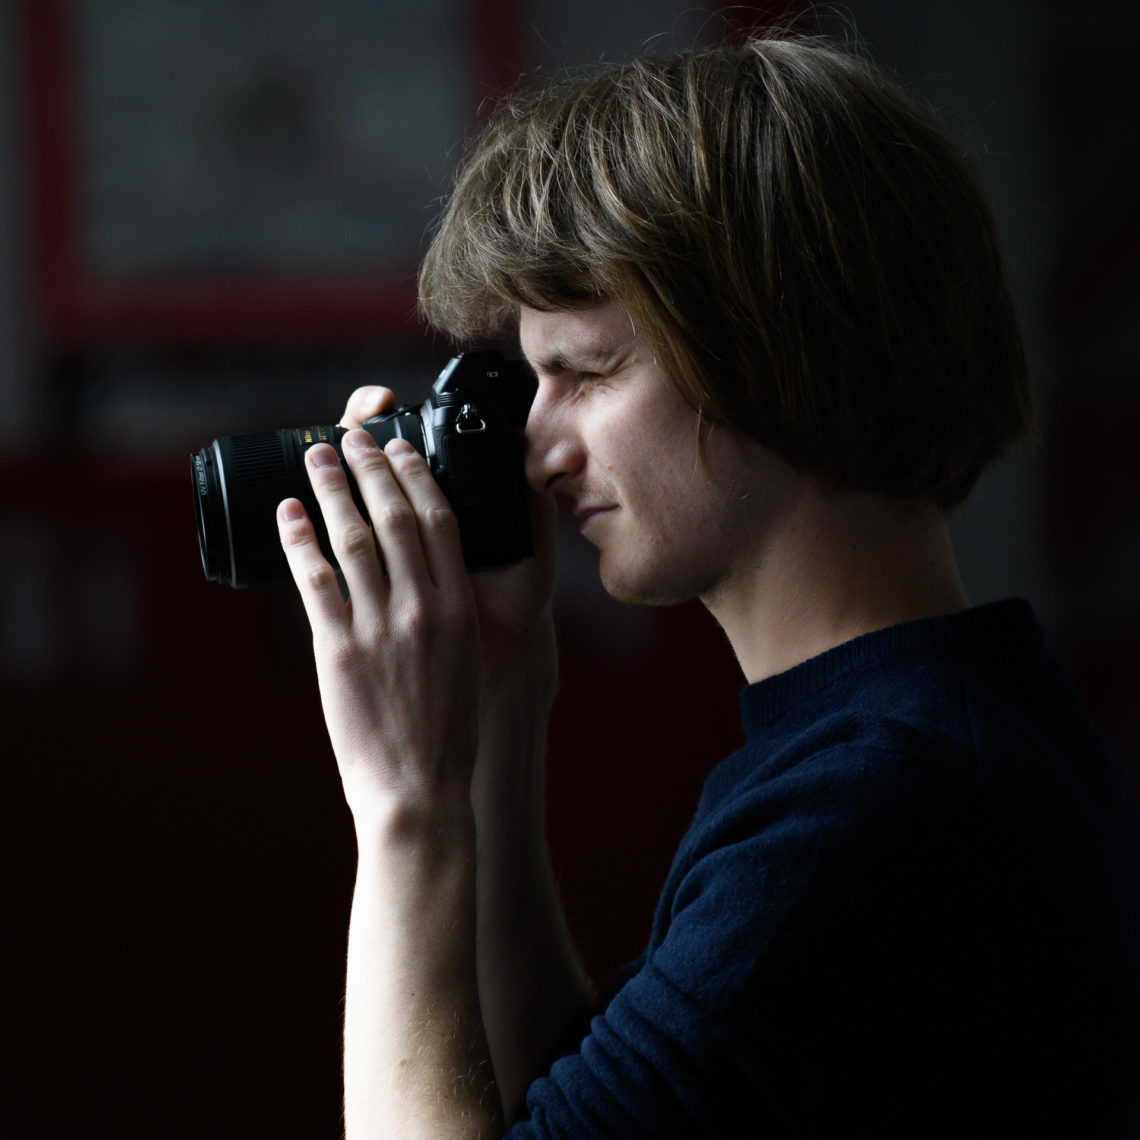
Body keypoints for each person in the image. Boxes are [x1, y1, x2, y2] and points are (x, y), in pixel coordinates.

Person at [274, 33, 1140, 1139]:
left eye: (586, 372)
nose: (537, 448)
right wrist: (500, 695)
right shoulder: (918, 741)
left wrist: (406, 808)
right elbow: (569, 1102)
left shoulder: (867, 815)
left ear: (778, 348)